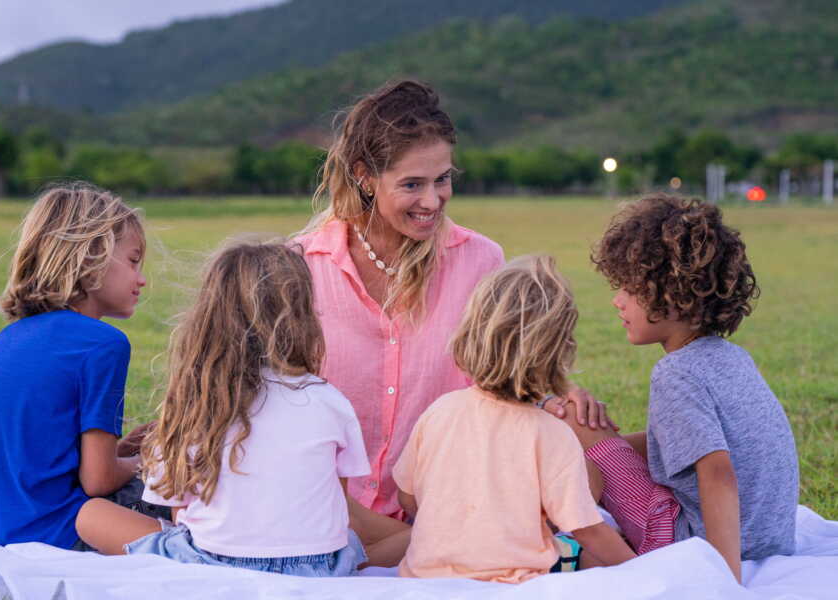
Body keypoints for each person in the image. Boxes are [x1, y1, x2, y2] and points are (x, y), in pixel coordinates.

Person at [294, 80, 614, 563]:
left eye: (442, 179)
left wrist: (554, 397)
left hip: (445, 500)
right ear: (364, 177)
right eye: (411, 184)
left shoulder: (482, 260)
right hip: (326, 505)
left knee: (581, 433)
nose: (432, 200)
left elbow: (505, 378)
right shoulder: (300, 265)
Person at [76, 241, 375, 577]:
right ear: (303, 318)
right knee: (353, 542)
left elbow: (179, 515)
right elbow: (337, 510)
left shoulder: (195, 402)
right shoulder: (330, 400)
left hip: (212, 565)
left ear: (207, 319)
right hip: (320, 569)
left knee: (91, 514)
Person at [562, 194, 799, 583]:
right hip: (768, 539)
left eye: (629, 288)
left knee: (572, 416)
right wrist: (601, 438)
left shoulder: (676, 373)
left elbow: (718, 472)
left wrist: (723, 578)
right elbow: (683, 447)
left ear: (674, 294)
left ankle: (610, 557)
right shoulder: (732, 357)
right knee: (586, 428)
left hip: (686, 542)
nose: (617, 301)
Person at [392, 255, 636, 583]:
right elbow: (588, 531)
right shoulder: (551, 433)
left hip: (424, 580)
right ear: (557, 353)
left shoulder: (440, 411)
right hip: (513, 583)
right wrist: (647, 567)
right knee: (595, 554)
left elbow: (407, 498)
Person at [0, 183, 155, 549]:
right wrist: (147, 460)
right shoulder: (103, 343)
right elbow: (99, 481)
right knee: (180, 487)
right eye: (134, 261)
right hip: (46, 532)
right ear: (92, 258)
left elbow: (43, 454)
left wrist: (122, 450)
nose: (142, 278)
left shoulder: (12, 336)